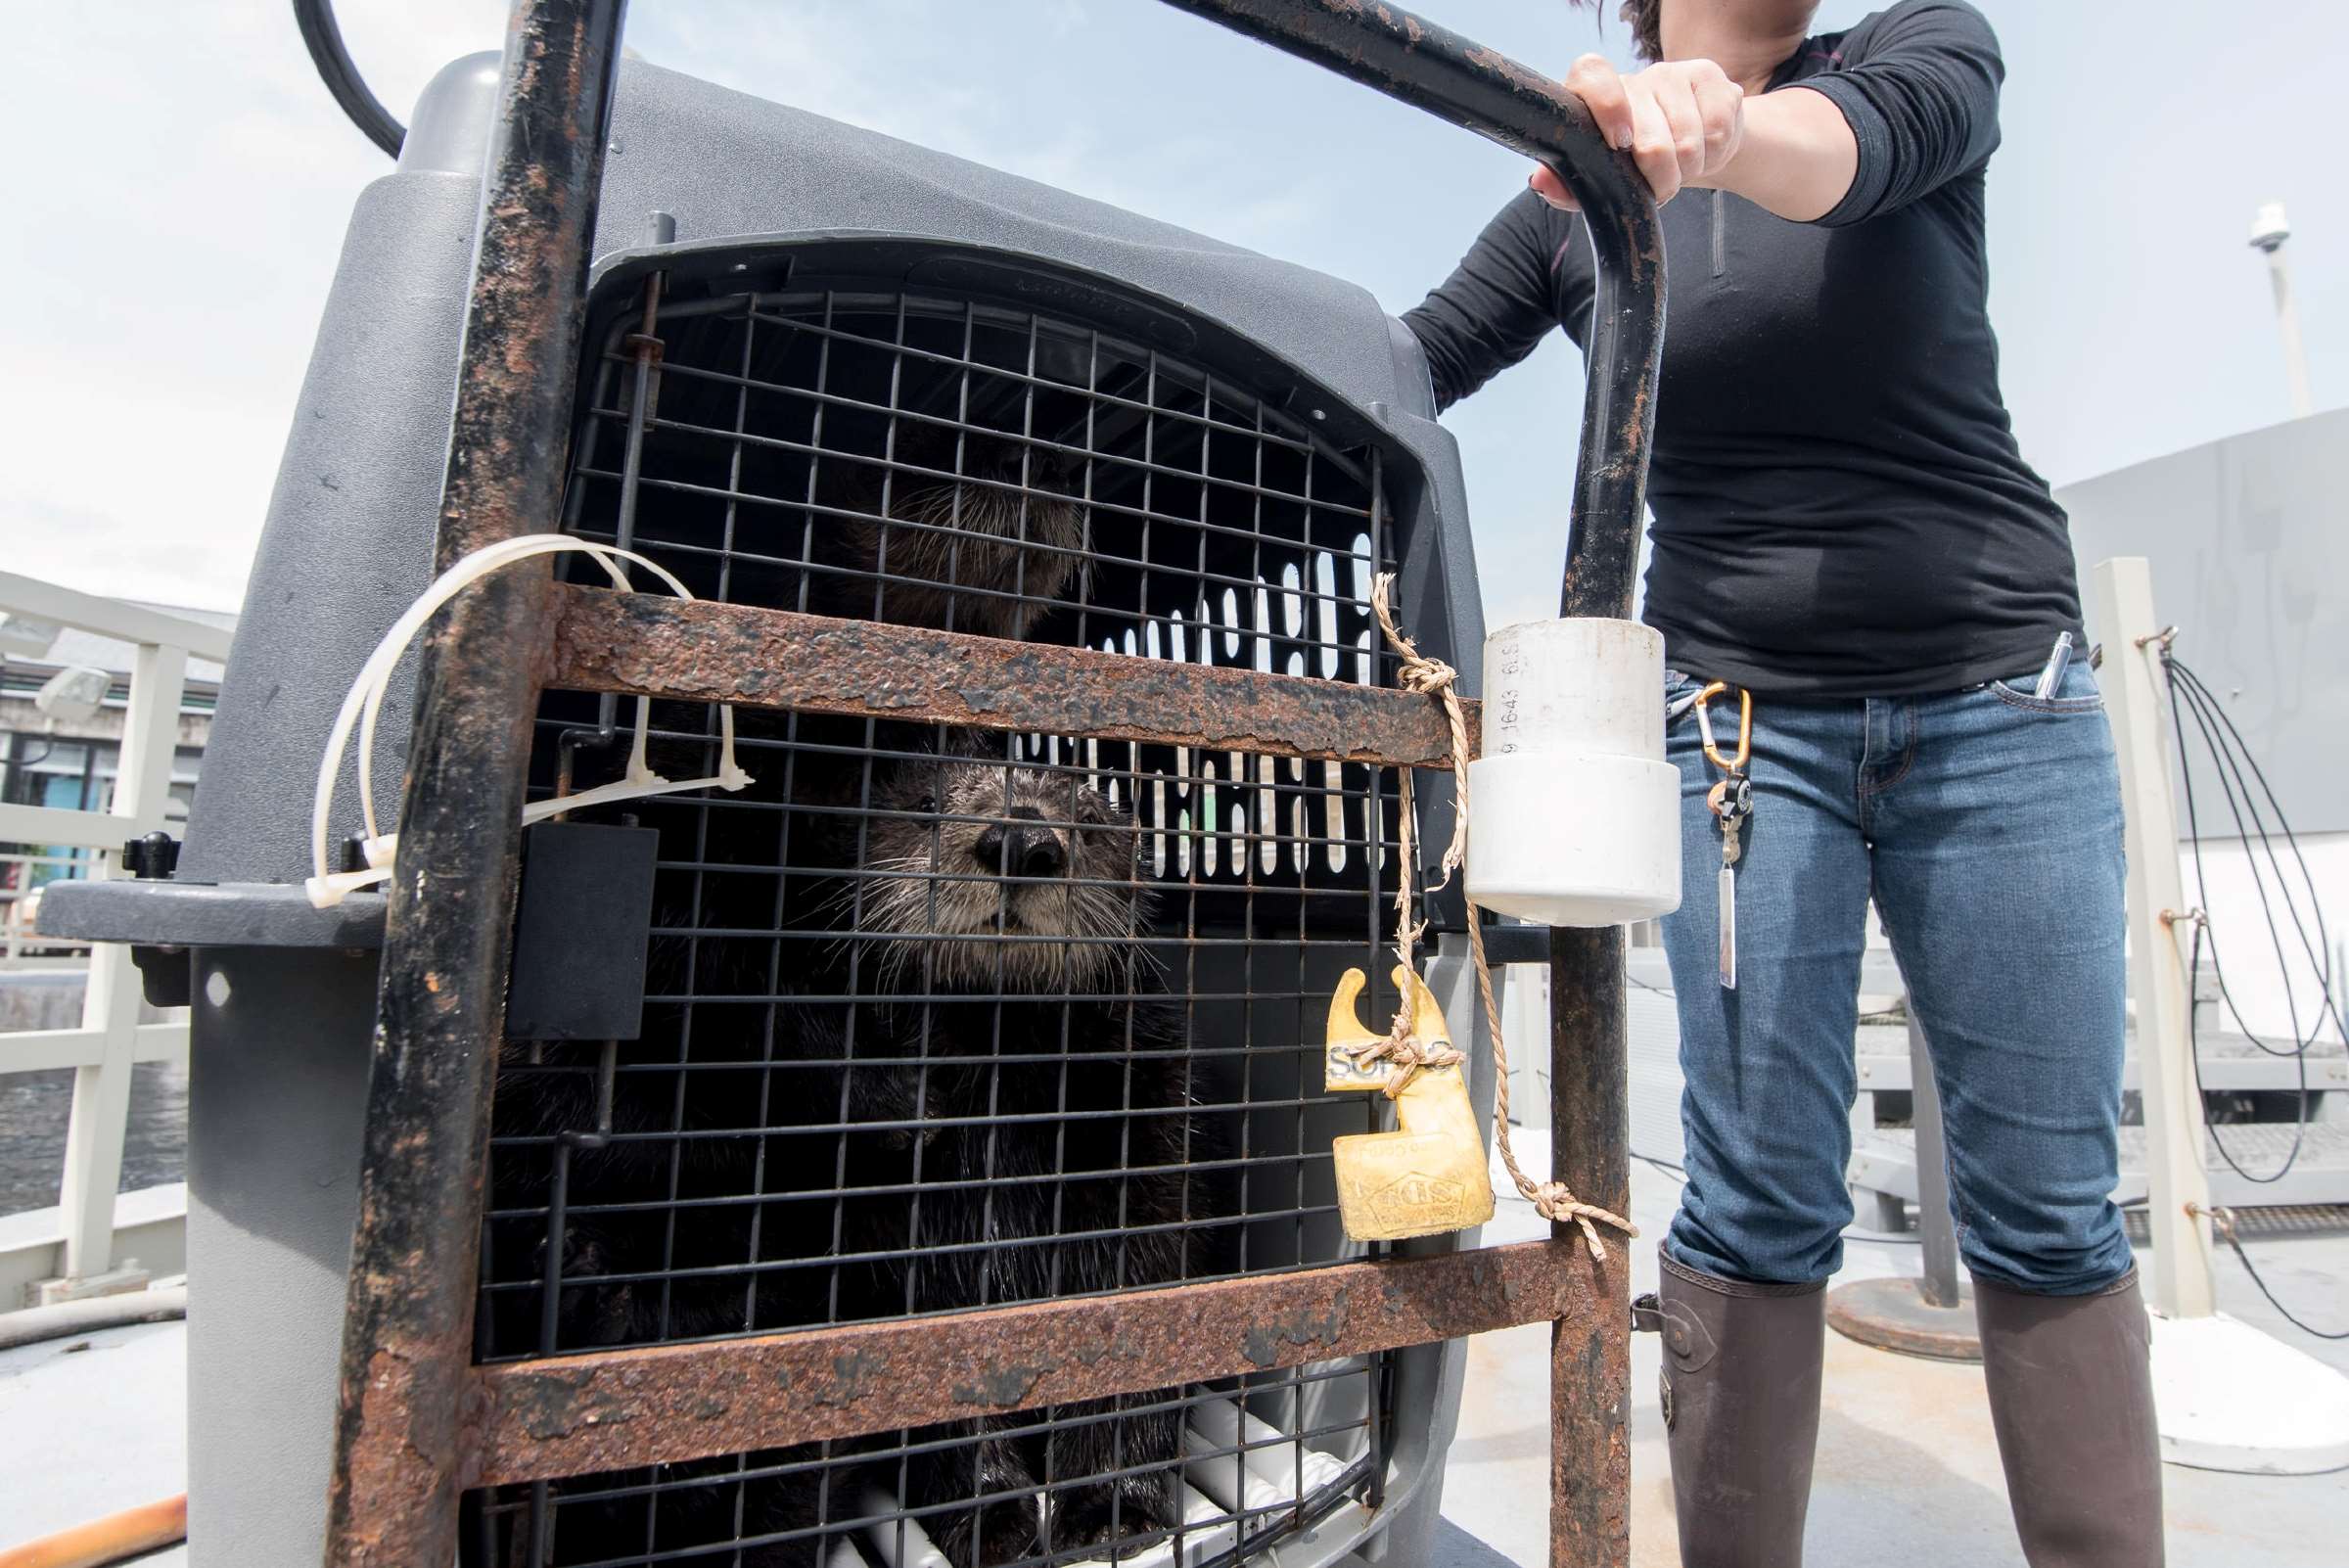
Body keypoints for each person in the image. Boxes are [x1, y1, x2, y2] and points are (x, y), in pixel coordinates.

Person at [1404, 3, 2162, 1564]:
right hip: (1745, 737)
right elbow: (1408, 360)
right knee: (1756, 1204)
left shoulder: (1924, 52)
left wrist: (1717, 131)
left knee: (2051, 1211)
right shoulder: (1580, 187)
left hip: (2002, 707)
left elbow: (1851, 158)